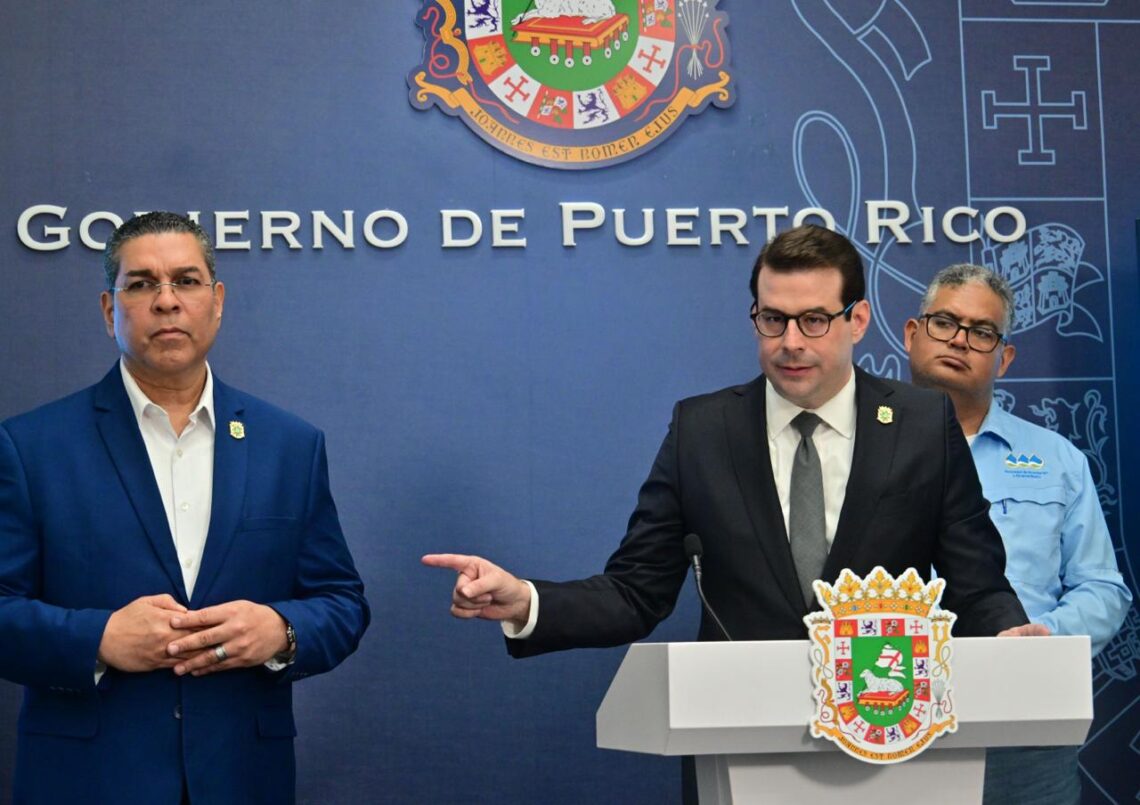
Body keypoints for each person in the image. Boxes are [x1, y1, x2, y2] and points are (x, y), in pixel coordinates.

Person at [424, 225, 1031, 655]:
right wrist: (527, 601)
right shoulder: (703, 431)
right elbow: (637, 591)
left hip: (886, 717)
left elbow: (976, 583)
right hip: (738, 739)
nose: (791, 341)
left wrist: (1011, 635)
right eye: (773, 319)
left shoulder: (924, 425)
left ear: (858, 320)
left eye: (815, 320)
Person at [0, 212, 370, 804]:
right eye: (142, 284)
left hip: (243, 779)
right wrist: (97, 637)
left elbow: (341, 602)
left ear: (216, 301)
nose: (166, 302)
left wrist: (281, 630)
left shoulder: (290, 445)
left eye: (186, 281)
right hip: (87, 782)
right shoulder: (30, 446)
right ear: (108, 309)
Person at [904, 263, 1130, 805]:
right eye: (945, 322)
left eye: (982, 332)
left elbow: (1105, 591)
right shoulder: (851, 449)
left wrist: (1042, 639)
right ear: (912, 335)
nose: (960, 339)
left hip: (1021, 726)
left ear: (1003, 358)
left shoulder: (1057, 461)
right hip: (884, 712)